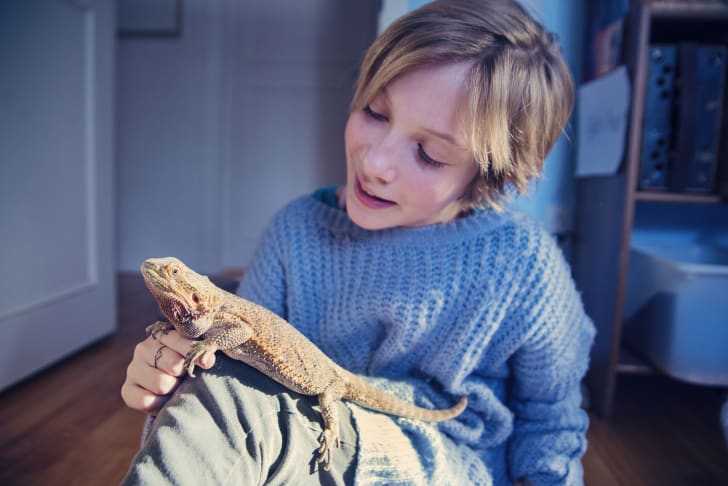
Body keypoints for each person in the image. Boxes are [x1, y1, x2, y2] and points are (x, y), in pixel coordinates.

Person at [120, 0, 595, 484]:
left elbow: (551, 423)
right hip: (303, 447)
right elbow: (232, 373)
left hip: (443, 461)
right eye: (374, 111)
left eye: (429, 154)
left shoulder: (523, 263)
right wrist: (171, 372)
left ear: (488, 177)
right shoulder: (296, 230)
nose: (375, 163)